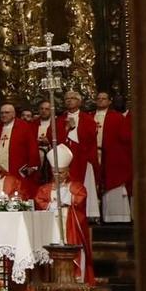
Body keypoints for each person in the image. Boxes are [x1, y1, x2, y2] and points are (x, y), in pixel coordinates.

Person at [35, 142, 93, 283]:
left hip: (70, 225)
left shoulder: (76, 186)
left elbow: (80, 198)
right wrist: (53, 204)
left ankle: (75, 279)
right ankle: (51, 280)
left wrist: (68, 198)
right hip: (51, 224)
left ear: (67, 171)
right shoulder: (45, 188)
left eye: (60, 172)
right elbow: (39, 201)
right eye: (55, 172)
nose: (57, 175)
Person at [90, 89, 132, 223]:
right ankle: (93, 215)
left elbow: (125, 138)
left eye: (104, 98)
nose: (101, 100)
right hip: (93, 155)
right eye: (99, 98)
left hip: (111, 155)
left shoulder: (117, 117)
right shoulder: (89, 117)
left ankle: (113, 217)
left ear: (109, 101)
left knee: (112, 183)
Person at [57, 89, 100, 217]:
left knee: (84, 183)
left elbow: (90, 136)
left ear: (79, 102)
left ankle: (86, 212)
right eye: (67, 99)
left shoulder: (87, 119)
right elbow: (53, 136)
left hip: (82, 156)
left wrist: (75, 129)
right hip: (65, 159)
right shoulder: (60, 120)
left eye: (73, 98)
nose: (69, 101)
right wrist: (66, 129)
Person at [0, 102, 39, 197]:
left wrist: (32, 164)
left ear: (13, 114)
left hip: (18, 167)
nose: (3, 115)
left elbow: (32, 146)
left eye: (7, 112)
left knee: (19, 191)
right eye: (2, 113)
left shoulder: (24, 127)